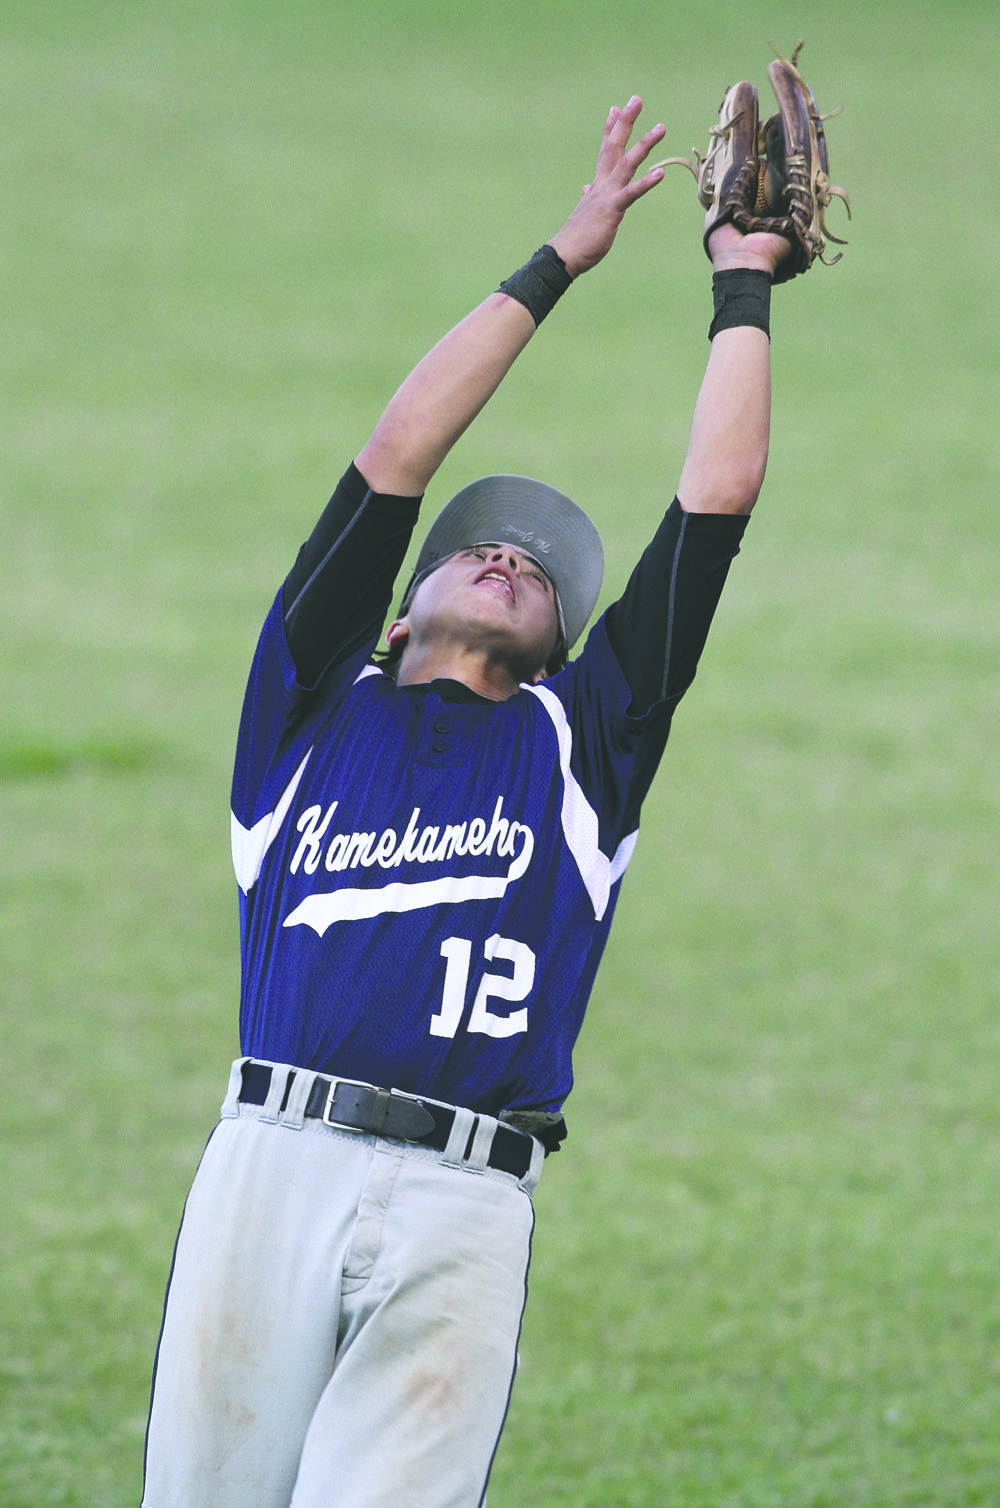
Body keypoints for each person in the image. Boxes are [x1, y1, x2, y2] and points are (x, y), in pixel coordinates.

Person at [142, 91, 795, 1508]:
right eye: (474, 549)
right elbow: (395, 456)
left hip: (467, 1206)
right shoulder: (309, 713)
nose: (510, 558)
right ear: (393, 615)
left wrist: (741, 282)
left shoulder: (583, 743)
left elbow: (718, 494)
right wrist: (562, 256)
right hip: (274, 1171)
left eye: (542, 571)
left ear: (565, 643)